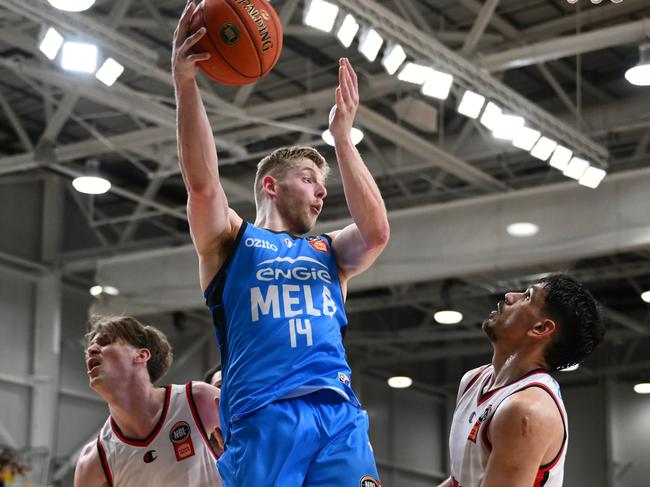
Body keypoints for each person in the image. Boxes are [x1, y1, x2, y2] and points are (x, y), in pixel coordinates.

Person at [172, 1, 390, 484]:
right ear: (271, 185)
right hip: (263, 416)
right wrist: (186, 85)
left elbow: (376, 232)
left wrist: (344, 140)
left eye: (322, 183)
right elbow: (203, 186)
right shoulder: (232, 241)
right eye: (310, 178)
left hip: (338, 417)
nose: (321, 191)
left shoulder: (330, 253)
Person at [438, 274, 605, 487]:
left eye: (527, 297)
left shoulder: (526, 410)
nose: (509, 296)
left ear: (541, 328)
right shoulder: (474, 380)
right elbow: (461, 481)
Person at [74, 315, 223, 486]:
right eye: (89, 348)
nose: (91, 350)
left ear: (141, 355)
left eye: (105, 342)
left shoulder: (197, 399)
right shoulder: (94, 459)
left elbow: (258, 449)